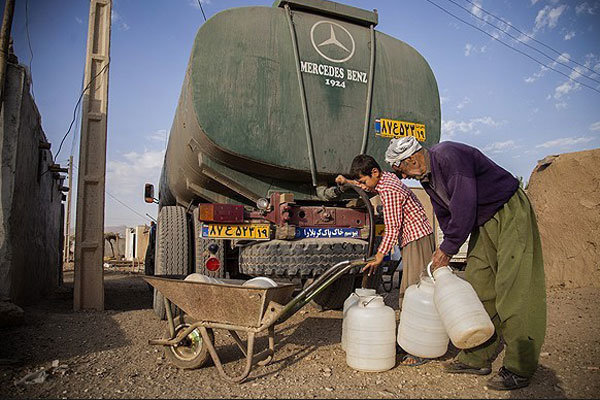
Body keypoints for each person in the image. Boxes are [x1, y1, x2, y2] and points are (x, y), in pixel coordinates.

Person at [385, 136, 546, 390]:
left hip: (507, 209)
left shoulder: (448, 156)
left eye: (401, 170)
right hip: (483, 220)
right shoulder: (426, 177)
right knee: (479, 285)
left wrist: (448, 248)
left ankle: (519, 367)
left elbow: (464, 203)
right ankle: (476, 357)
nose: (404, 177)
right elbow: (444, 212)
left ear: (411, 158)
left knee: (514, 288)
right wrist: (444, 247)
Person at [336, 154, 436, 366]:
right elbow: (370, 187)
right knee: (408, 292)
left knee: (414, 292)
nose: (363, 185)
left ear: (374, 172)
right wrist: (349, 182)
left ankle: (419, 349)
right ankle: (408, 340)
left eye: (363, 180)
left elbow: (392, 228)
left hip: (416, 239)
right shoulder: (384, 179)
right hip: (414, 237)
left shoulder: (389, 190)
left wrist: (379, 256)